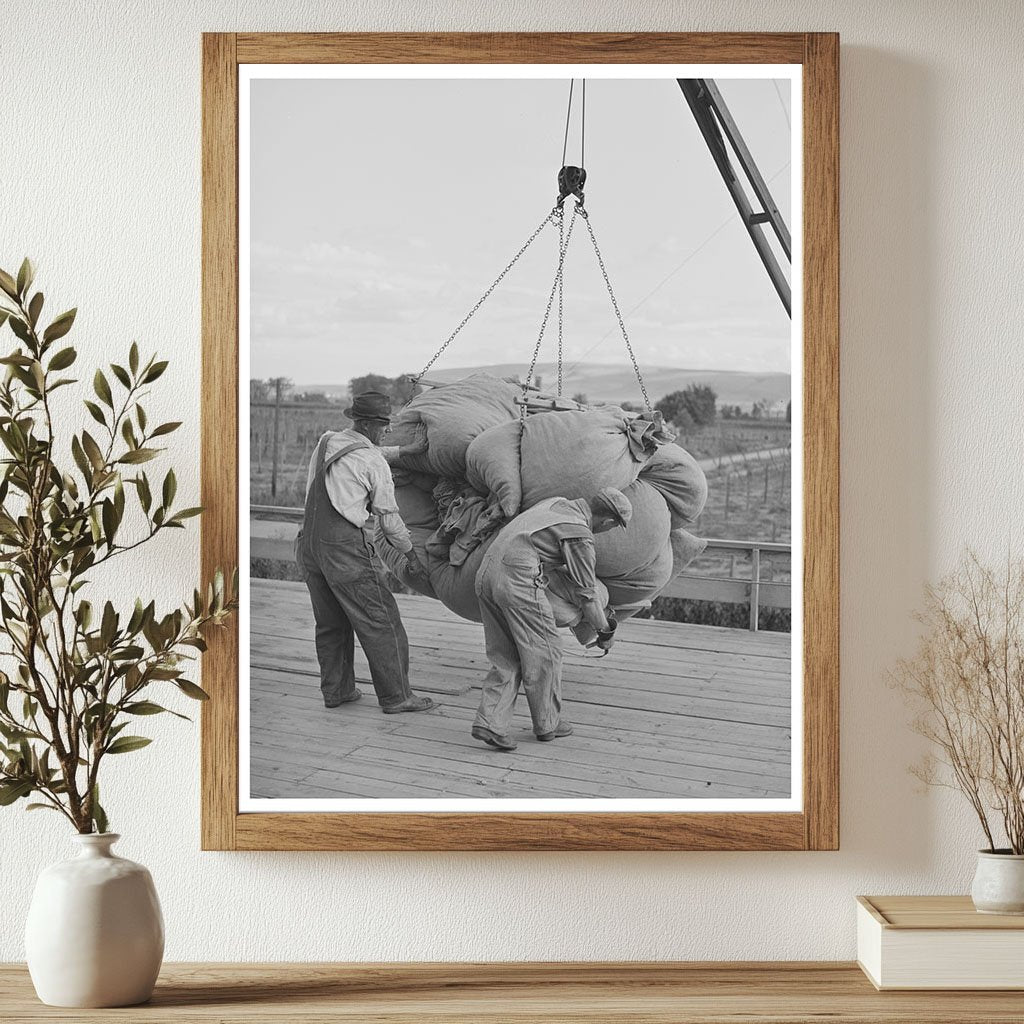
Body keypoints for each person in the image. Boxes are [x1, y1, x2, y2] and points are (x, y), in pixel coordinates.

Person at [295, 390, 436, 714]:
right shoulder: (373, 463)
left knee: (330, 623)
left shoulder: (327, 440)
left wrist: (403, 451)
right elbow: (389, 522)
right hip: (344, 549)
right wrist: (410, 556)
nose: (387, 429)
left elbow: (361, 452)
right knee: (382, 620)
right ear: (370, 424)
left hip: (310, 545)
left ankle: (337, 692)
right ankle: (397, 697)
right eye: (384, 424)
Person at [470, 488, 633, 751]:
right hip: (518, 579)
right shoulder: (579, 534)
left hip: (485, 573)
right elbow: (588, 595)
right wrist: (605, 631)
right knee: (546, 652)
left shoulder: (555, 503)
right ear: (608, 521)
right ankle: (548, 724)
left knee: (506, 655)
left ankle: (490, 722)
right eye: (613, 527)